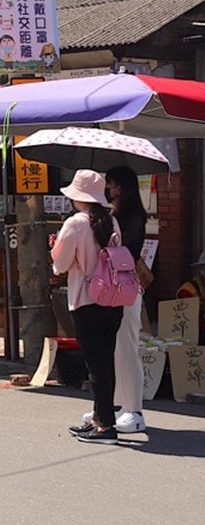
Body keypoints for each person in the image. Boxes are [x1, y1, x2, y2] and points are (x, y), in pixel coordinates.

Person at [51, 170, 124, 445]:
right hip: (113, 299)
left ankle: (105, 426)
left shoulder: (76, 223)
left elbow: (60, 264)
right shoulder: (112, 221)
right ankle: (100, 418)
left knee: (96, 364)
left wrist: (56, 248)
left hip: (86, 299)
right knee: (106, 360)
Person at [87, 165, 146, 433]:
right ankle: (115, 405)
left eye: (109, 184)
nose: (106, 189)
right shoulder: (115, 214)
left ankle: (134, 409)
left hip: (125, 288)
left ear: (120, 187)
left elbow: (119, 249)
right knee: (112, 348)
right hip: (112, 288)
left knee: (127, 347)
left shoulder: (133, 217)